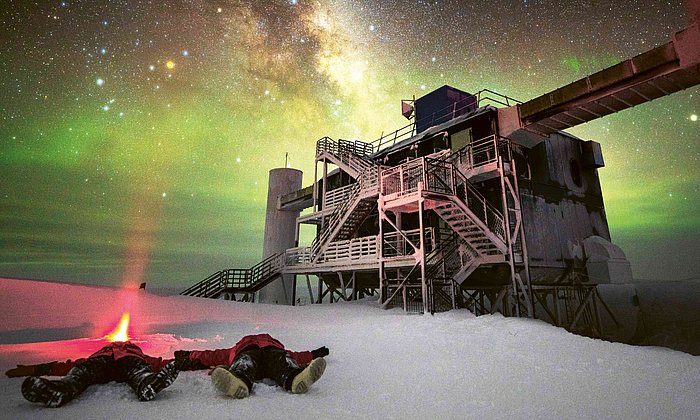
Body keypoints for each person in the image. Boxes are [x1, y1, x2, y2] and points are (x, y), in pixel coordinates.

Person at [5, 341, 179, 408]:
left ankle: (147, 383)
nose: (121, 344)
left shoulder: (137, 355)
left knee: (138, 368)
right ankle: (60, 390)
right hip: (100, 364)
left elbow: (162, 363)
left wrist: (185, 361)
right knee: (81, 371)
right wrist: (32, 369)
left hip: (129, 364)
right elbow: (66, 366)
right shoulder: (99, 355)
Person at [174, 333, 329, 398]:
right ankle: (238, 382)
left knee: (284, 360)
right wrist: (188, 355)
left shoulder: (276, 348)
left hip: (273, 353)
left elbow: (298, 355)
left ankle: (296, 379)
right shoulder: (238, 349)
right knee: (245, 361)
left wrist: (315, 354)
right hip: (250, 353)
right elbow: (210, 355)